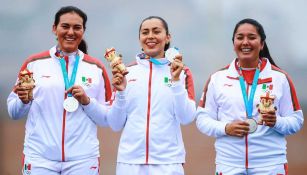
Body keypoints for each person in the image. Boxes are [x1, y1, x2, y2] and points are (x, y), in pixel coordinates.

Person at [7, 6, 124, 175]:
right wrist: (24, 101)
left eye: (77, 27)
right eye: (65, 26)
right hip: (39, 158)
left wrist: (87, 102)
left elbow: (107, 119)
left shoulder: (96, 68)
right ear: (54, 28)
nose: (71, 32)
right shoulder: (33, 64)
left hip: (83, 160)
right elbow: (13, 113)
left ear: (83, 31)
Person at [196, 18, 304, 175]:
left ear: (261, 44)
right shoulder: (217, 78)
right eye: (240, 37)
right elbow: (202, 119)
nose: (245, 42)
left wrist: (276, 122)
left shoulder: (280, 78)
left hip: (269, 165)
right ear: (233, 43)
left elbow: (296, 120)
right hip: (229, 165)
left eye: (252, 37)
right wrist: (226, 128)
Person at [107, 16, 196, 175]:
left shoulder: (182, 73)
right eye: (145, 32)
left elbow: (187, 117)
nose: (150, 36)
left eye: (156, 31)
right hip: (129, 163)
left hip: (168, 162)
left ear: (168, 37)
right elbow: (115, 124)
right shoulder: (126, 72)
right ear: (139, 38)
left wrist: (175, 82)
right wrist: (120, 93)